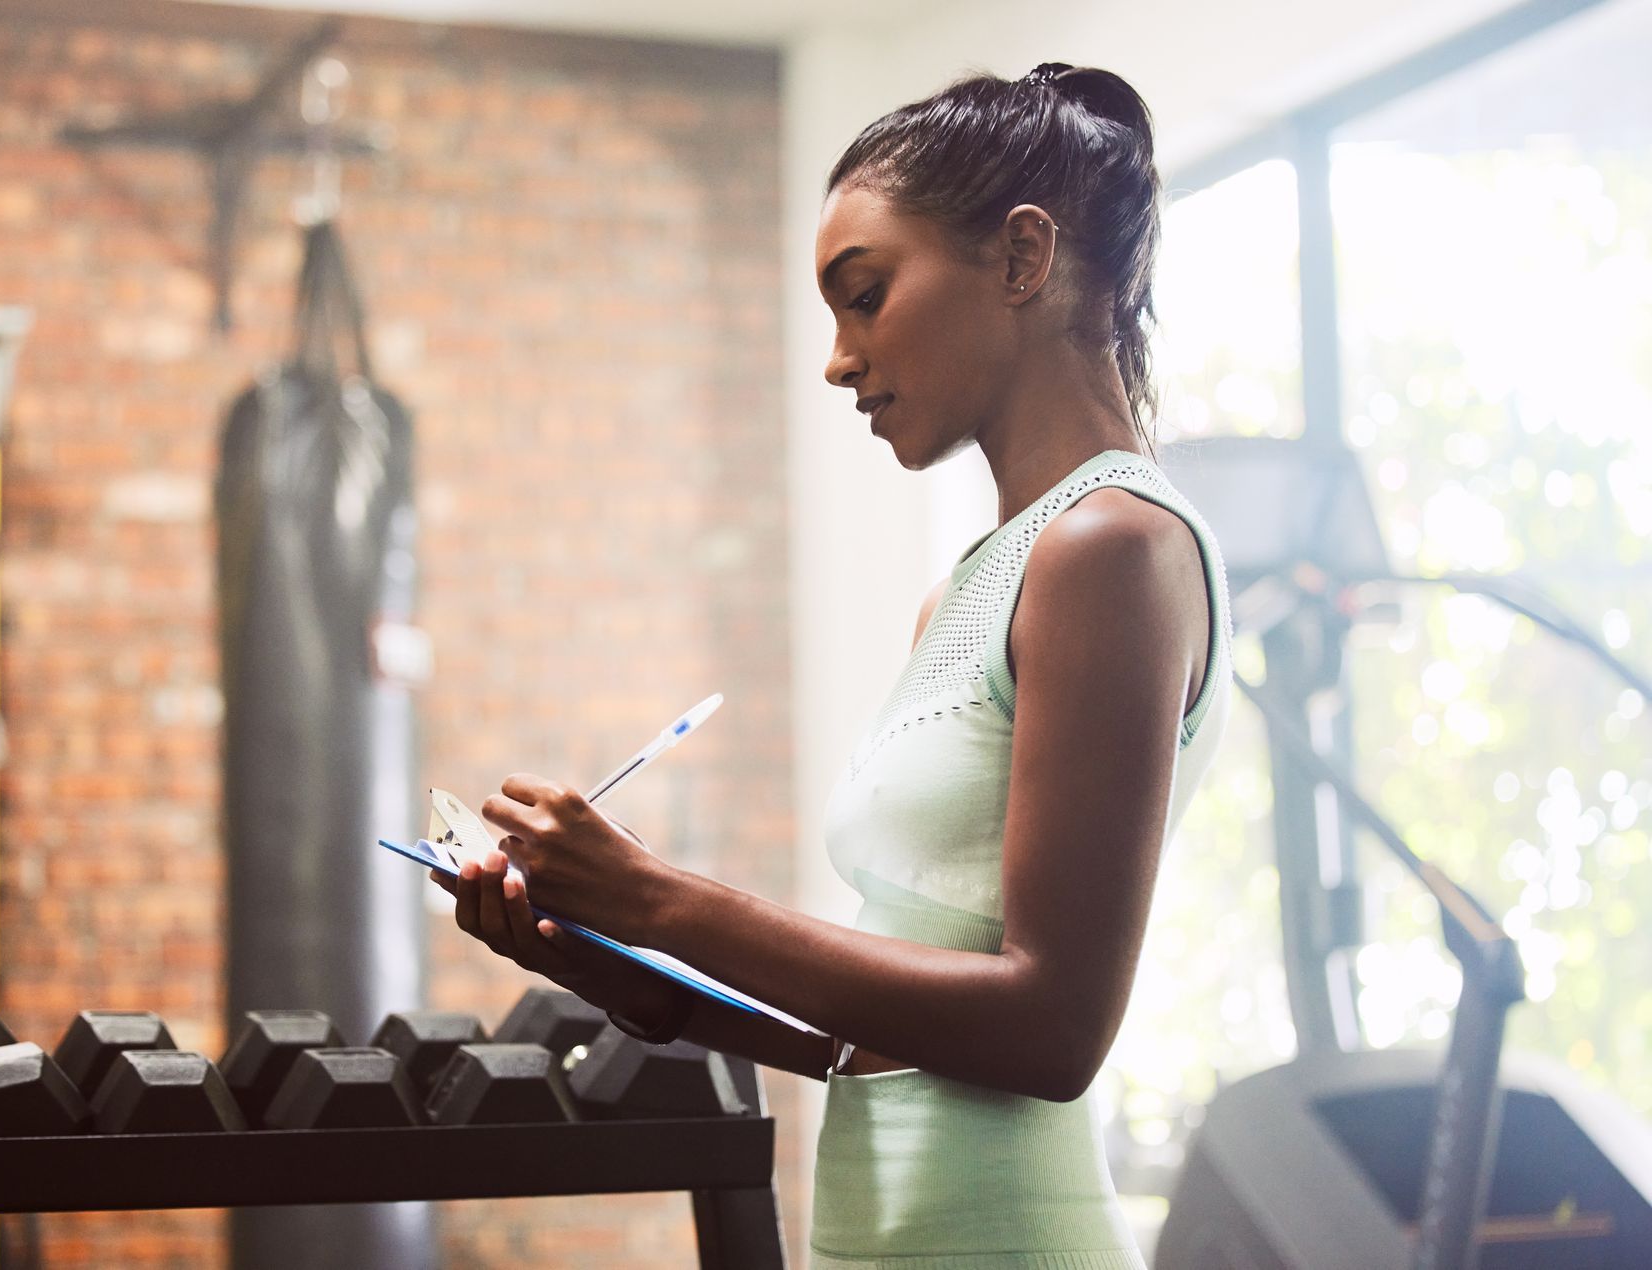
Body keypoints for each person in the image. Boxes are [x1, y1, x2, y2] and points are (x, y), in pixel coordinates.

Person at [436, 63, 1233, 1269]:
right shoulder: (969, 588)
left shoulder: (1111, 546)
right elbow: (867, 1043)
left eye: (864, 297)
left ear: (1022, 260)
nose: (838, 359)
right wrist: (617, 958)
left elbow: (1052, 1028)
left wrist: (665, 898)